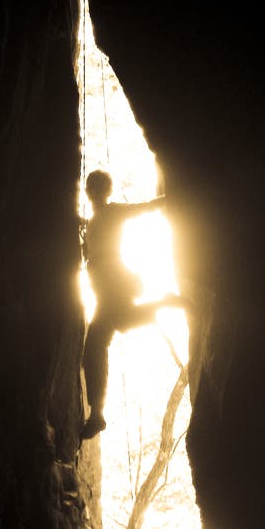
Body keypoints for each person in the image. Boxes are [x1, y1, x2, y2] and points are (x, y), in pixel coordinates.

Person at [79, 168, 187, 441]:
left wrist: (171, 197)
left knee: (101, 340)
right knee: (108, 335)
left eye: (97, 188)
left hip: (114, 278)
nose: (94, 193)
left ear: (103, 191)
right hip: (105, 282)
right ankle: (97, 415)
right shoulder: (91, 222)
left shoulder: (113, 211)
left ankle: (97, 414)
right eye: (92, 188)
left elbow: (146, 208)